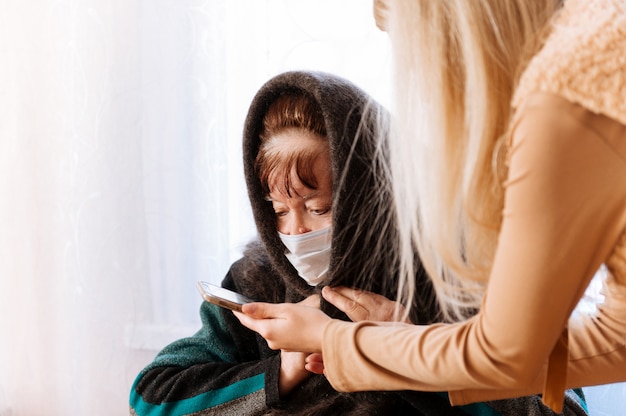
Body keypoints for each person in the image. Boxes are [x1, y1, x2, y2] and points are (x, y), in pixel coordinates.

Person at [235, 0, 626, 413]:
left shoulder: (563, 98)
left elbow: (509, 355)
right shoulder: (256, 275)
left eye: (416, 57)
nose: (423, 89)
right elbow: (614, 338)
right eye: (278, 209)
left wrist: (339, 339)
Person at [129, 71, 587, 415]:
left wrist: (412, 354)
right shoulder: (258, 278)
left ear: (370, 193)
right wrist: (282, 371)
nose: (295, 232)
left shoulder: (463, 272)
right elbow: (151, 397)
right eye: (278, 210)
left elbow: (565, 409)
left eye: (320, 208)